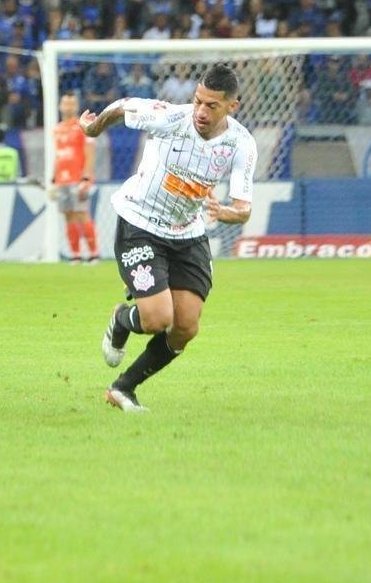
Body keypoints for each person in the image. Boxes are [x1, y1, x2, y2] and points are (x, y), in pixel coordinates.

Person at [78, 65, 257, 413]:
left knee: (185, 327)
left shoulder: (241, 144)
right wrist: (94, 129)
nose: (201, 111)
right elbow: (123, 106)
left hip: (188, 233)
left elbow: (243, 208)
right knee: (158, 319)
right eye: (198, 101)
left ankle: (123, 388)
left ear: (232, 106)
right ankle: (122, 319)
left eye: (212, 106)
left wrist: (226, 213)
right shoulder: (170, 117)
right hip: (140, 224)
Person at [53, 93, 98, 263]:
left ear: (77, 106)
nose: (68, 107)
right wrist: (53, 176)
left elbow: (90, 153)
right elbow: (58, 154)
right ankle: (75, 255)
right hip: (62, 179)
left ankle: (94, 254)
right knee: (68, 215)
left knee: (82, 213)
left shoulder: (82, 126)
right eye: (66, 103)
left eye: (72, 104)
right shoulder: (57, 128)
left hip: (78, 177)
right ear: (60, 106)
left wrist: (87, 176)